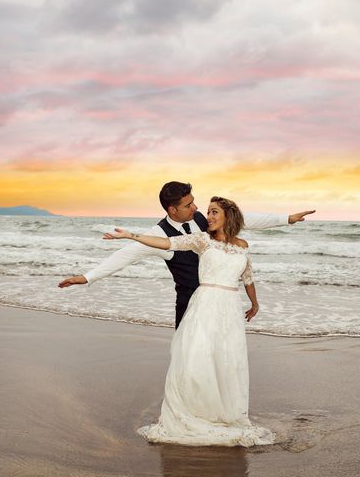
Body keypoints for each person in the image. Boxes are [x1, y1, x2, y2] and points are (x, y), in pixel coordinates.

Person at [103, 196, 274, 446]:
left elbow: (247, 276)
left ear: (229, 215)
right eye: (208, 212)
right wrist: (132, 235)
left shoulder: (242, 244)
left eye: (214, 212)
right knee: (197, 359)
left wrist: (255, 303)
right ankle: (194, 412)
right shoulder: (202, 240)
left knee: (227, 361)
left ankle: (223, 412)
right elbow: (167, 243)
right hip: (204, 305)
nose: (209, 217)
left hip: (229, 310)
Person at [58, 181, 314, 329]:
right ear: (172, 209)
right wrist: (88, 276)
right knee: (188, 360)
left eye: (194, 201)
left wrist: (286, 219)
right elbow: (127, 254)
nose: (196, 207)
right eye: (188, 204)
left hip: (221, 305)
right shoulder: (159, 234)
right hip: (191, 305)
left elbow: (242, 219)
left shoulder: (204, 219)